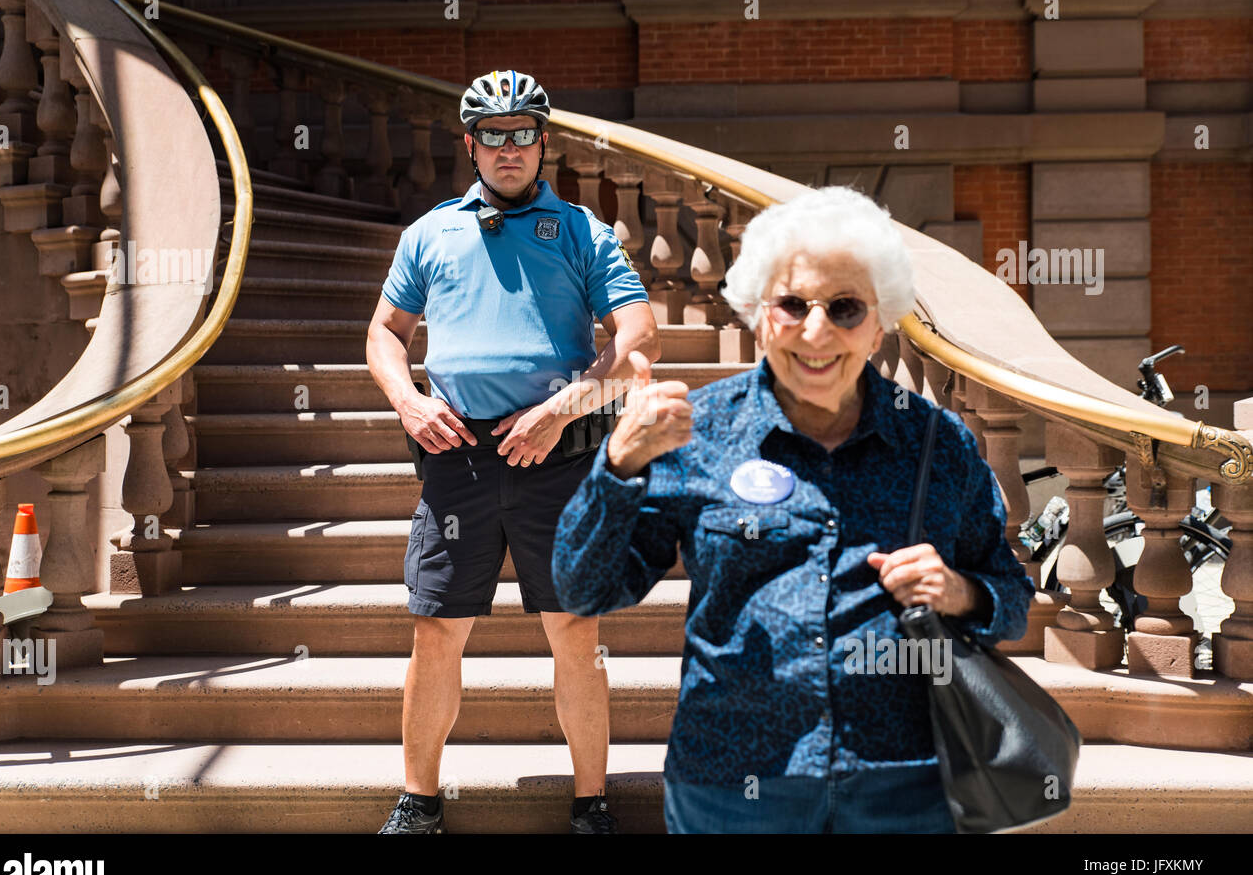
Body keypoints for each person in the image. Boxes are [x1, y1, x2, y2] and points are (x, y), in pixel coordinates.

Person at [552, 185, 1035, 833]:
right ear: (756, 312)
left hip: (900, 786)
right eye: (791, 304)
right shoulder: (700, 431)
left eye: (844, 308)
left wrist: (960, 592)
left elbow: (1009, 598)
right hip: (731, 784)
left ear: (880, 320)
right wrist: (617, 465)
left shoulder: (936, 444)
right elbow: (582, 589)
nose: (817, 331)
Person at [366, 70, 659, 834]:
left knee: (576, 632)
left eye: (521, 132)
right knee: (436, 632)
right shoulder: (430, 232)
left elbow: (635, 341)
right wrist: (408, 400)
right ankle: (419, 801)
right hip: (457, 454)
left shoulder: (587, 232)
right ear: (471, 144)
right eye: (492, 134)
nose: (507, 148)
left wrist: (562, 411)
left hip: (557, 460)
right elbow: (386, 333)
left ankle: (591, 804)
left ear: (542, 143)